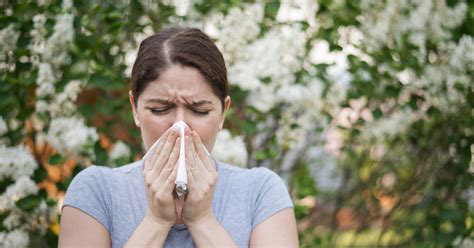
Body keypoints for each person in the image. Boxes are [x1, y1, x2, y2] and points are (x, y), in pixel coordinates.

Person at [58, 26, 299, 248]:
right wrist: (155, 222)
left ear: (224, 112)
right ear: (135, 109)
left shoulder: (261, 192)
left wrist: (203, 220)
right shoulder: (96, 191)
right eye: (160, 109)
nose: (180, 127)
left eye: (199, 111)